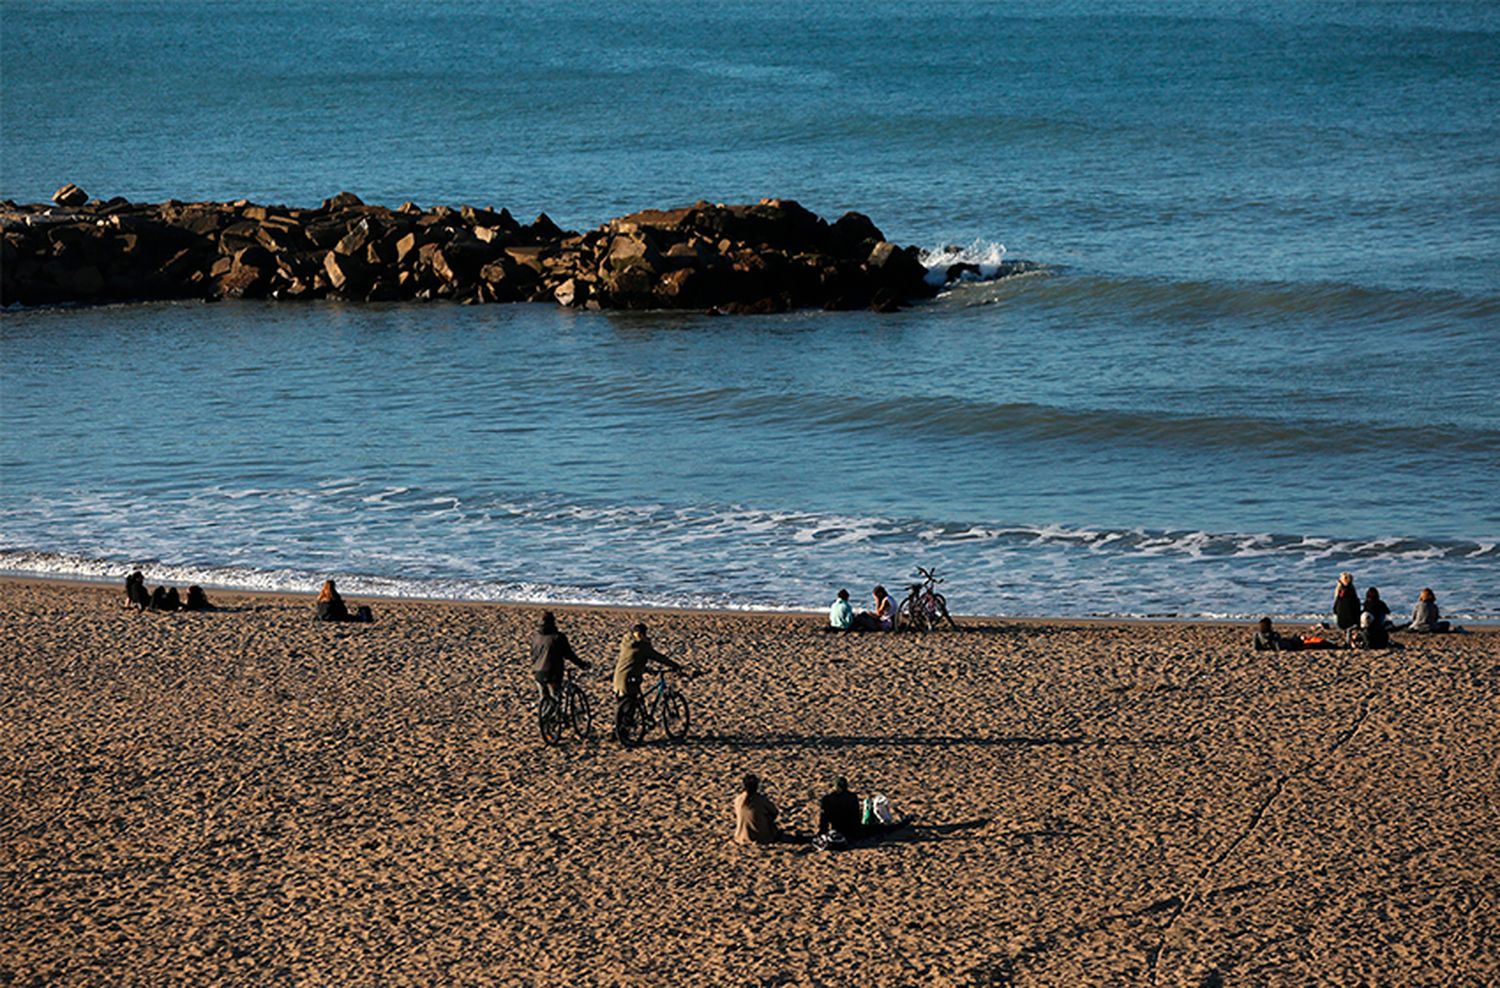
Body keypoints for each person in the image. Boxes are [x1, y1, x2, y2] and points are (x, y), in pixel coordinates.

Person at [613, 622, 685, 713]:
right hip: (630, 681)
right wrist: (675, 665)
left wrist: (647, 669)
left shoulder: (626, 643)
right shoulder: (642, 646)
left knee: (624, 707)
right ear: (642, 634)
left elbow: (632, 660)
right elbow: (658, 657)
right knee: (630, 709)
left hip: (618, 679)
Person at [531, 611, 590, 703]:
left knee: (543, 698)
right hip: (553, 673)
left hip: (538, 672)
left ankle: (544, 716)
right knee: (555, 698)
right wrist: (581, 664)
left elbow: (533, 655)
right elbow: (569, 654)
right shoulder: (558, 637)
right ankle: (555, 715)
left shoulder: (536, 637)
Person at [733, 773, 781, 844]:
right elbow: (775, 812)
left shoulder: (738, 799)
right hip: (762, 838)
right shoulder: (761, 799)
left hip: (740, 837)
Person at [1332, 572, 1361, 646]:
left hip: (1340, 622)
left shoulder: (1339, 594)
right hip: (1351, 621)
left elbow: (1335, 609)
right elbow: (1357, 607)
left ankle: (1349, 637)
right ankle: (1351, 639)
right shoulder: (1352, 593)